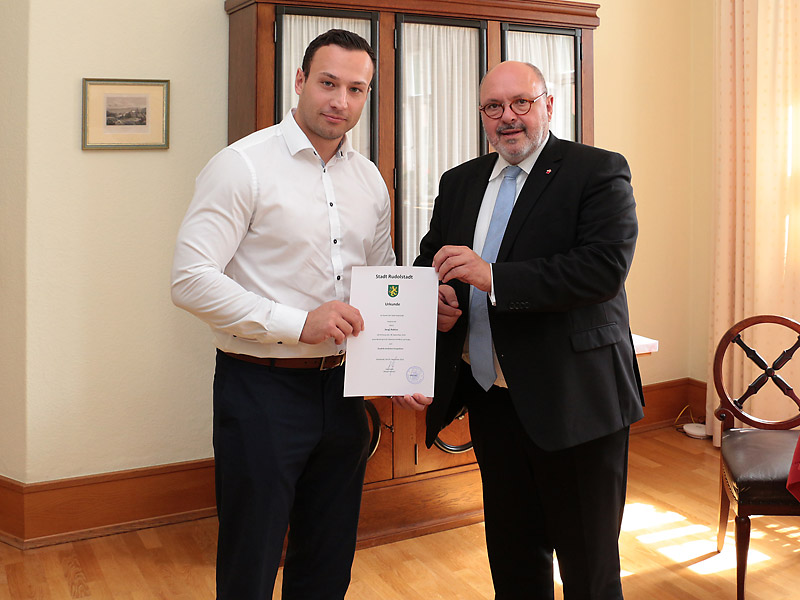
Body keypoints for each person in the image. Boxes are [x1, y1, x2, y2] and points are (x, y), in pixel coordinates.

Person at [394, 61, 644, 599]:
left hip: (576, 402)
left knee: (588, 566)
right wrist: (430, 299)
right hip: (493, 401)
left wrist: (492, 276)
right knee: (512, 554)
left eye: (521, 103)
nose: (508, 117)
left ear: (548, 105)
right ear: (482, 115)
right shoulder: (459, 182)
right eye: (493, 107)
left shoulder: (596, 171)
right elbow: (429, 261)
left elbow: (601, 270)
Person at [171, 29, 394, 600]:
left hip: (344, 393)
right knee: (253, 554)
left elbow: (380, 285)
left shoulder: (369, 179)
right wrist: (299, 324)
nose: (339, 101)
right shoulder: (241, 166)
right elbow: (190, 281)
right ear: (299, 82)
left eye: (355, 88)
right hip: (260, 390)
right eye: (327, 83)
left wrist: (405, 359)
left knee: (328, 554)